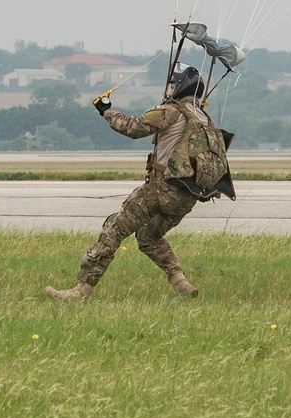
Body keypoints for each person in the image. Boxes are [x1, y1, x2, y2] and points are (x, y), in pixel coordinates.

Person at [44, 65, 230, 301]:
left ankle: (81, 290)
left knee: (113, 229)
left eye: (173, 84)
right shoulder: (203, 118)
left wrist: (106, 111)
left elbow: (134, 127)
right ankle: (180, 281)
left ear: (181, 86)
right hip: (186, 197)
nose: (169, 88)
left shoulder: (172, 111)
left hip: (161, 189)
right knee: (148, 237)